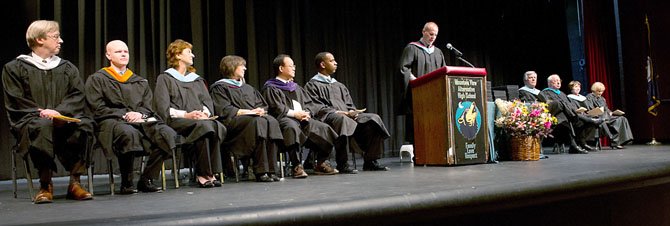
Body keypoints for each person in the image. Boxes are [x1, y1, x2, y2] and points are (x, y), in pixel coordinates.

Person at [1, 20, 94, 203]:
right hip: (30, 120)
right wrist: (43, 113)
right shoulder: (14, 68)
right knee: (43, 126)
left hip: (63, 119)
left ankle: (75, 182)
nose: (61, 41)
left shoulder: (67, 67)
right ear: (40, 39)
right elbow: (15, 99)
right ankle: (45, 184)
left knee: (86, 125)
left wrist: (58, 112)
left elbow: (77, 94)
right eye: (56, 36)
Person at [86, 40, 177, 194]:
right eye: (118, 52)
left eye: (125, 52)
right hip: (111, 121)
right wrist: (124, 115)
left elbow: (148, 106)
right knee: (128, 133)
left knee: (167, 133)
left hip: (140, 120)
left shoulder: (139, 81)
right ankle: (126, 182)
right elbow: (97, 108)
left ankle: (146, 178)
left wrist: (139, 114)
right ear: (108, 55)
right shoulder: (98, 79)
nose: (123, 54)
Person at [153, 39, 226, 187]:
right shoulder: (165, 78)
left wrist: (204, 113)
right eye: (189, 52)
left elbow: (207, 102)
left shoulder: (196, 80)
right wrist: (186, 115)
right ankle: (205, 174)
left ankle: (209, 172)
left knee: (216, 126)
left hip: (199, 121)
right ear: (178, 55)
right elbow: (162, 107)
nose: (193, 56)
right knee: (204, 127)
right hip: (176, 121)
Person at [305, 52, 391, 171]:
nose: (336, 63)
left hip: (347, 117)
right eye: (332, 61)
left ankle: (370, 161)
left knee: (373, 119)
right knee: (342, 120)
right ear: (323, 64)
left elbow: (349, 104)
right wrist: (340, 113)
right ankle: (343, 163)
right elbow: (316, 107)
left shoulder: (339, 85)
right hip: (328, 119)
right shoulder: (312, 85)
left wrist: (352, 111)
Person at [261, 54, 340, 177]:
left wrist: (306, 113)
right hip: (283, 120)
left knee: (324, 128)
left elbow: (309, 103)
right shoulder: (271, 87)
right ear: (281, 68)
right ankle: (296, 165)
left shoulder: (296, 87)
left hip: (302, 120)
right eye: (291, 66)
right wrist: (295, 114)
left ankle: (321, 163)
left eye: (294, 66)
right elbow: (276, 108)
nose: (294, 68)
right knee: (291, 127)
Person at [210, 55, 282, 182]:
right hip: (233, 125)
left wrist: (260, 110)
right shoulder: (220, 88)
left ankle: (271, 170)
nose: (245, 68)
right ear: (232, 67)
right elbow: (225, 110)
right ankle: (260, 170)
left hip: (254, 121)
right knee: (257, 122)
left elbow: (262, 104)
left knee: (271, 121)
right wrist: (249, 112)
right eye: (241, 65)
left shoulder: (248, 88)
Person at [398, 21, 447, 143]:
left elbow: (443, 71)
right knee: (418, 124)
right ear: (423, 32)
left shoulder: (438, 52)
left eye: (435, 35)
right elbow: (404, 68)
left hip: (434, 95)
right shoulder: (412, 48)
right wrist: (416, 82)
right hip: (417, 94)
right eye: (430, 34)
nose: (432, 37)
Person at [538, 74, 603, 154]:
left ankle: (582, 143)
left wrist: (577, 110)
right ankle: (574, 146)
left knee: (582, 122)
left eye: (559, 80)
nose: (558, 82)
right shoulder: (544, 93)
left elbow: (571, 105)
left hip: (568, 116)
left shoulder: (562, 93)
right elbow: (550, 106)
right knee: (564, 116)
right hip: (556, 117)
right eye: (555, 81)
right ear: (549, 83)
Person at [586, 82, 634, 149]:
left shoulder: (602, 99)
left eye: (602, 91)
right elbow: (590, 110)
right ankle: (615, 142)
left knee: (622, 119)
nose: (601, 93)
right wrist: (599, 111)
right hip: (598, 117)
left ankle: (622, 141)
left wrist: (611, 112)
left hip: (606, 116)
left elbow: (606, 109)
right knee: (616, 121)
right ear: (594, 90)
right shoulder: (589, 97)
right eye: (599, 91)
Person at [566, 80, 611, 150]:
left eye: (579, 87)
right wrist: (578, 111)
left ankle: (584, 143)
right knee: (589, 121)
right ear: (571, 88)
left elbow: (588, 109)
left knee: (594, 119)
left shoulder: (583, 98)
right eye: (575, 87)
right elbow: (570, 110)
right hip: (575, 117)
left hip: (585, 115)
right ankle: (583, 143)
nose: (578, 88)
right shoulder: (568, 98)